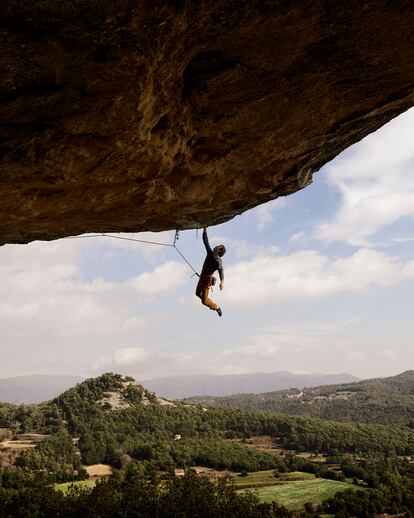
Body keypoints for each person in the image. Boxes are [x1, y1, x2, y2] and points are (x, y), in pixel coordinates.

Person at [195, 227, 226, 317]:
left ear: (219, 251)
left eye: (219, 247)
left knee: (204, 301)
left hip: (207, 280)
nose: (217, 246)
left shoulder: (218, 261)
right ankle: (209, 301)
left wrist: (222, 282)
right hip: (202, 276)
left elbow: (221, 270)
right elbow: (206, 241)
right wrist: (205, 229)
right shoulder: (210, 252)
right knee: (197, 294)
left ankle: (216, 307)